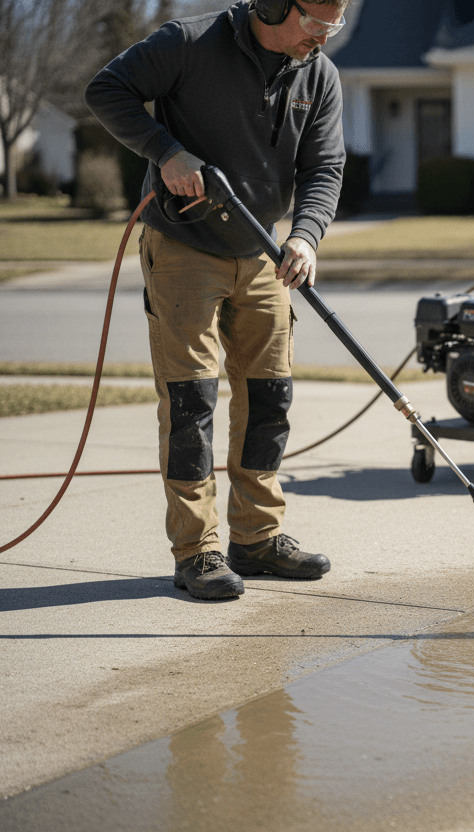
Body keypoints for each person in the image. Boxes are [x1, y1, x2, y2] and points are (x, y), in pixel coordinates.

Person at [84, 0, 349, 599]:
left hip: (264, 252)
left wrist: (306, 236)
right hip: (184, 244)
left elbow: (325, 166)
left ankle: (256, 538)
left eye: (335, 24)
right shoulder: (189, 42)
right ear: (275, 4)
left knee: (269, 395)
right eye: (316, 22)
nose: (324, 36)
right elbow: (107, 90)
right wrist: (166, 151)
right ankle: (196, 550)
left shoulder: (319, 75)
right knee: (191, 399)